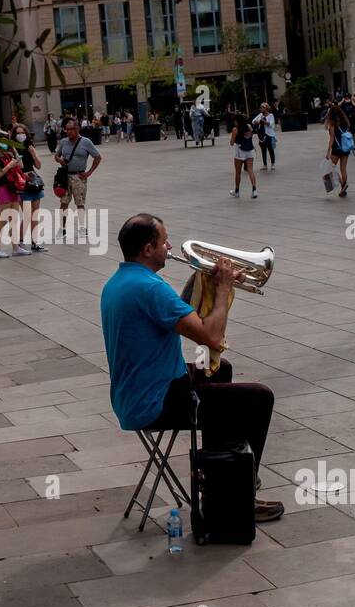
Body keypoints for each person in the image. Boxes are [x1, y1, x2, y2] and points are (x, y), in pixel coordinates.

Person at [100, 214, 282, 522]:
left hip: (131, 393)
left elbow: (178, 314)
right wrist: (223, 289)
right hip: (154, 402)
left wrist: (204, 281)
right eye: (164, 241)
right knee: (259, 397)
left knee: (219, 369)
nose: (170, 246)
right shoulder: (150, 289)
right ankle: (239, 493)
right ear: (148, 249)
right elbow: (211, 335)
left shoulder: (121, 281)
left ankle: (211, 473)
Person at [55, 117, 103, 240]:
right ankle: (62, 229)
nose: (69, 131)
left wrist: (89, 172)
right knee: (63, 203)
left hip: (79, 176)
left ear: (78, 128)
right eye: (67, 129)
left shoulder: (86, 142)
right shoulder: (64, 142)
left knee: (80, 204)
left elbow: (97, 157)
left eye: (71, 129)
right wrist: (59, 159)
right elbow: (56, 155)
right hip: (65, 177)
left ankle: (82, 228)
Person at [10, 123, 47, 253]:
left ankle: (34, 242)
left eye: (23, 132)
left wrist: (34, 154)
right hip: (21, 183)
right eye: (18, 133)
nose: (21, 135)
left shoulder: (30, 147)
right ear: (14, 136)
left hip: (34, 182)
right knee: (27, 214)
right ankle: (20, 241)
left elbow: (38, 165)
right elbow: (18, 167)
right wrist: (15, 153)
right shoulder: (12, 149)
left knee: (35, 214)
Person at [325, 104, 354, 198]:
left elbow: (332, 139)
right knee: (343, 169)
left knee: (331, 167)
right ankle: (343, 187)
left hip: (336, 149)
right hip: (346, 149)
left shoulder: (333, 124)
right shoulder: (345, 122)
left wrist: (328, 152)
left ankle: (342, 184)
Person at [229, 114, 259, 198]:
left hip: (239, 151)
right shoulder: (249, 126)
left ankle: (237, 191)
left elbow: (231, 143)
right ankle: (254, 190)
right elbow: (251, 134)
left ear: (236, 121)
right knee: (250, 170)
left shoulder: (235, 129)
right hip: (249, 150)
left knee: (238, 172)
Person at [252, 102, 277, 169]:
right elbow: (253, 121)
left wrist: (264, 122)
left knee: (270, 149)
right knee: (263, 150)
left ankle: (272, 164)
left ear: (266, 108)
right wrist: (258, 121)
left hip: (269, 135)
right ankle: (265, 165)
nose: (261, 109)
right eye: (261, 108)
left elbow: (271, 124)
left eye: (262, 107)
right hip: (261, 135)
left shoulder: (271, 115)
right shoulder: (260, 115)